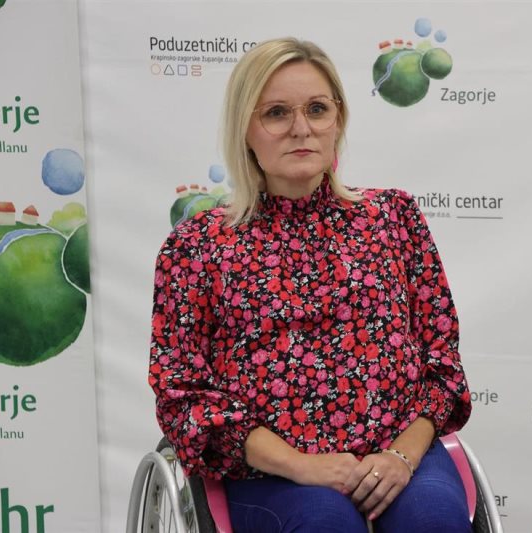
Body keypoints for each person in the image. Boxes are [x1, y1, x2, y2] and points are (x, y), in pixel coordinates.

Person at [149, 37, 472, 532]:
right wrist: (302, 466)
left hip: (400, 449)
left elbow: (441, 362)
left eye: (317, 109)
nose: (301, 128)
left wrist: (401, 457)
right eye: (276, 113)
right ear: (244, 129)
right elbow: (183, 396)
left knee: (433, 521)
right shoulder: (197, 246)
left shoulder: (394, 218)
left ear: (337, 119)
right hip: (272, 472)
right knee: (326, 525)